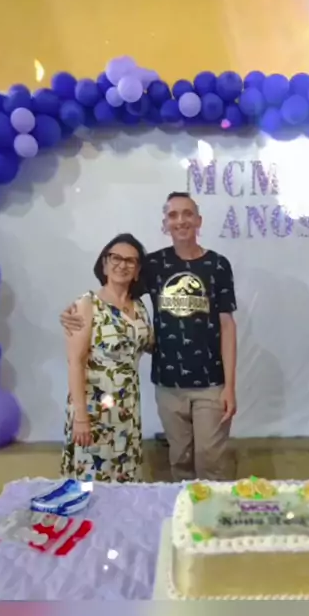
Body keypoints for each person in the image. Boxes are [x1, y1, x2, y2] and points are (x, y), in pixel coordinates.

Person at [61, 192, 237, 481]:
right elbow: (114, 296)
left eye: (187, 213)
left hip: (210, 382)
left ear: (199, 220)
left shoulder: (218, 265)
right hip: (166, 385)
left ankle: (212, 509)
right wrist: (72, 313)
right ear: (164, 224)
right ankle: (184, 508)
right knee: (179, 459)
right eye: (173, 215)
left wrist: (230, 386)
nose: (180, 220)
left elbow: (227, 326)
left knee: (211, 460)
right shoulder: (154, 265)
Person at [60, 233, 153, 483]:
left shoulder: (140, 307)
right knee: (92, 482)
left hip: (127, 410)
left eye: (130, 261)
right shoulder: (87, 304)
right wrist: (81, 417)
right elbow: (75, 362)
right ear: (104, 264)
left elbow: (151, 345)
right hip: (94, 410)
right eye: (116, 258)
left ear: (137, 270)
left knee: (125, 481)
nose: (122, 264)